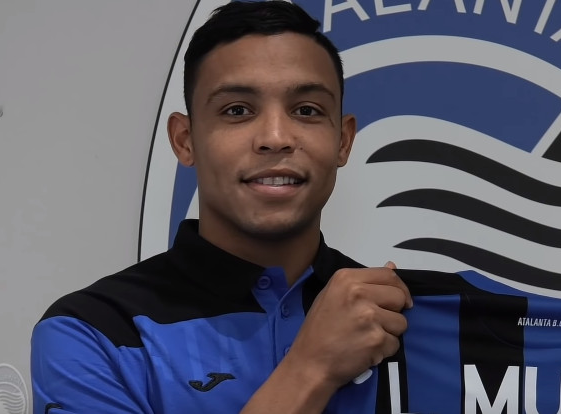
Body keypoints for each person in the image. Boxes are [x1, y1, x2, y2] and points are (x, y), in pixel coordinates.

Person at [31, 2, 413, 413]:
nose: (275, 137)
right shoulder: (93, 332)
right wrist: (311, 369)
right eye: (237, 111)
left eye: (306, 110)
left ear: (343, 141)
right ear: (185, 140)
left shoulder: (408, 315)